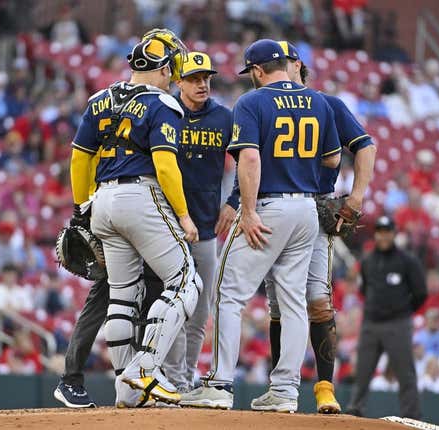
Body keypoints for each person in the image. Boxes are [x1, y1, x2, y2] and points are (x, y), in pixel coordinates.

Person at [180, 39, 342, 412]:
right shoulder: (317, 100)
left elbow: (249, 158)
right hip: (306, 210)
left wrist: (248, 210)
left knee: (228, 294)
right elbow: (333, 158)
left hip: (268, 207)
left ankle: (219, 384)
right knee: (292, 302)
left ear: (257, 70)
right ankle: (285, 392)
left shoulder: (252, 102)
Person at [56, 29, 201, 409]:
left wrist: (80, 208)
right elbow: (166, 165)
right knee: (186, 280)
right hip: (141, 194)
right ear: (165, 68)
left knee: (122, 297)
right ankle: (146, 367)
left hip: (101, 200)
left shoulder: (100, 99)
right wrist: (183, 215)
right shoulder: (163, 104)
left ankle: (127, 390)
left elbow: (79, 157)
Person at [264, 41, 376, 414]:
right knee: (279, 303)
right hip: (273, 206)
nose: (280, 68)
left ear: (298, 65)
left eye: (285, 62)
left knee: (317, 299)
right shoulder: (261, 102)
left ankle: (325, 387)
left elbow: (365, 145)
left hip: (314, 208)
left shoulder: (325, 103)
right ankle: (280, 388)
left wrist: (356, 196)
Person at [162, 51, 234, 392]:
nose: (202, 84)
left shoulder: (224, 118)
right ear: (179, 82)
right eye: (194, 78)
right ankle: (171, 378)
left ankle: (186, 374)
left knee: (200, 310)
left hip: (205, 227)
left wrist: (234, 202)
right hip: (167, 226)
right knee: (174, 304)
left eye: (206, 78)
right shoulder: (165, 112)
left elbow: (250, 158)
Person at [346, 216, 426, 419]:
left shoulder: (407, 260)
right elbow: (365, 290)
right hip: (371, 323)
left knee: (405, 373)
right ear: (376, 234)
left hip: (397, 323)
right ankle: (355, 412)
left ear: (393, 233)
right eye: (380, 231)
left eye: (387, 231)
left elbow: (420, 293)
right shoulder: (367, 260)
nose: (383, 235)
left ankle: (411, 417)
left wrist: (403, 311)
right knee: (362, 373)